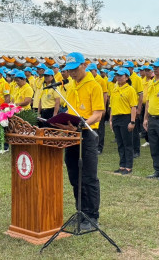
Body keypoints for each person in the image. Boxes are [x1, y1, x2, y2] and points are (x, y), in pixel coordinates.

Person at [56, 52, 104, 231]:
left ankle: (92, 216)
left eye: (75, 69)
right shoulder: (71, 86)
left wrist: (83, 123)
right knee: (74, 175)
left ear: (84, 65)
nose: (72, 73)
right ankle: (80, 212)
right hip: (72, 134)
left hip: (87, 134)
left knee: (89, 176)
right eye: (69, 70)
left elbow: (98, 113)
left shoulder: (94, 86)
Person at [110, 68, 137, 175]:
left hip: (125, 117)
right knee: (120, 143)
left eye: (121, 76)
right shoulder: (115, 89)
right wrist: (111, 119)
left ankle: (128, 166)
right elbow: (111, 106)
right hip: (116, 118)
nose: (119, 77)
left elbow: (133, 106)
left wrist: (132, 121)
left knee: (127, 144)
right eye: (117, 75)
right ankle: (122, 165)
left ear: (126, 77)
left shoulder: (130, 89)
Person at [123, 61, 143, 158]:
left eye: (128, 68)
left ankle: (136, 150)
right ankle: (128, 149)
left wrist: (139, 108)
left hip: (133, 107)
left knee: (134, 130)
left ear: (132, 68)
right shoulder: (123, 78)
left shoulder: (137, 79)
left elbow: (140, 94)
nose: (126, 69)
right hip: (124, 108)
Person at [86, 63, 108, 154]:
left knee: (100, 128)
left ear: (95, 70)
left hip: (99, 107)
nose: (90, 72)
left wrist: (103, 108)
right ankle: (94, 145)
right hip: (91, 108)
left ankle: (99, 147)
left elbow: (105, 94)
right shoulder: (88, 80)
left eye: (91, 71)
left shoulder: (101, 80)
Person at [140, 65, 154, 148]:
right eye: (145, 70)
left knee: (150, 122)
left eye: (148, 70)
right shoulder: (142, 80)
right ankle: (147, 139)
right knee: (143, 122)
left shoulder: (153, 80)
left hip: (151, 104)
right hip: (143, 104)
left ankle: (152, 139)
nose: (146, 72)